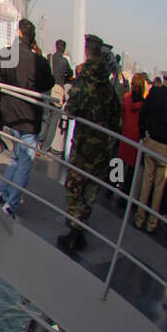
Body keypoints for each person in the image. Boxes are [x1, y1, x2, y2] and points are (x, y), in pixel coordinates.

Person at [58, 35, 121, 254]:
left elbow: (71, 110)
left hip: (84, 146)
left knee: (74, 186)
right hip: (102, 150)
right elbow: (116, 120)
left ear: (86, 51)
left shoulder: (84, 82)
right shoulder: (108, 87)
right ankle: (80, 229)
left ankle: (75, 230)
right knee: (90, 190)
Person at [0, 19, 54, 217]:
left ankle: (2, 192)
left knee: (17, 158)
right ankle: (11, 203)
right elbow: (48, 83)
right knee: (24, 162)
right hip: (30, 118)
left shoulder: (7, 54)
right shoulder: (39, 61)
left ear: (19, 33)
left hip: (11, 114)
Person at [134, 78, 167, 234]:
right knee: (159, 186)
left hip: (152, 141)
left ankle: (140, 218)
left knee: (147, 181)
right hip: (166, 148)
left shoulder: (155, 92)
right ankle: (151, 223)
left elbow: (143, 113)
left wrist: (143, 134)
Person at [39, 39, 74, 151]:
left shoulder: (49, 58)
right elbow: (70, 73)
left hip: (47, 91)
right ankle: (45, 147)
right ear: (63, 49)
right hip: (58, 94)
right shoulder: (64, 61)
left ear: (56, 47)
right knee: (54, 122)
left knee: (45, 118)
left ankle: (38, 141)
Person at [118, 74, 149, 195]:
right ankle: (124, 195)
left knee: (119, 161)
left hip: (125, 134)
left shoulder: (126, 98)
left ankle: (111, 187)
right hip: (135, 138)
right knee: (131, 168)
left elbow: (123, 115)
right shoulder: (144, 104)